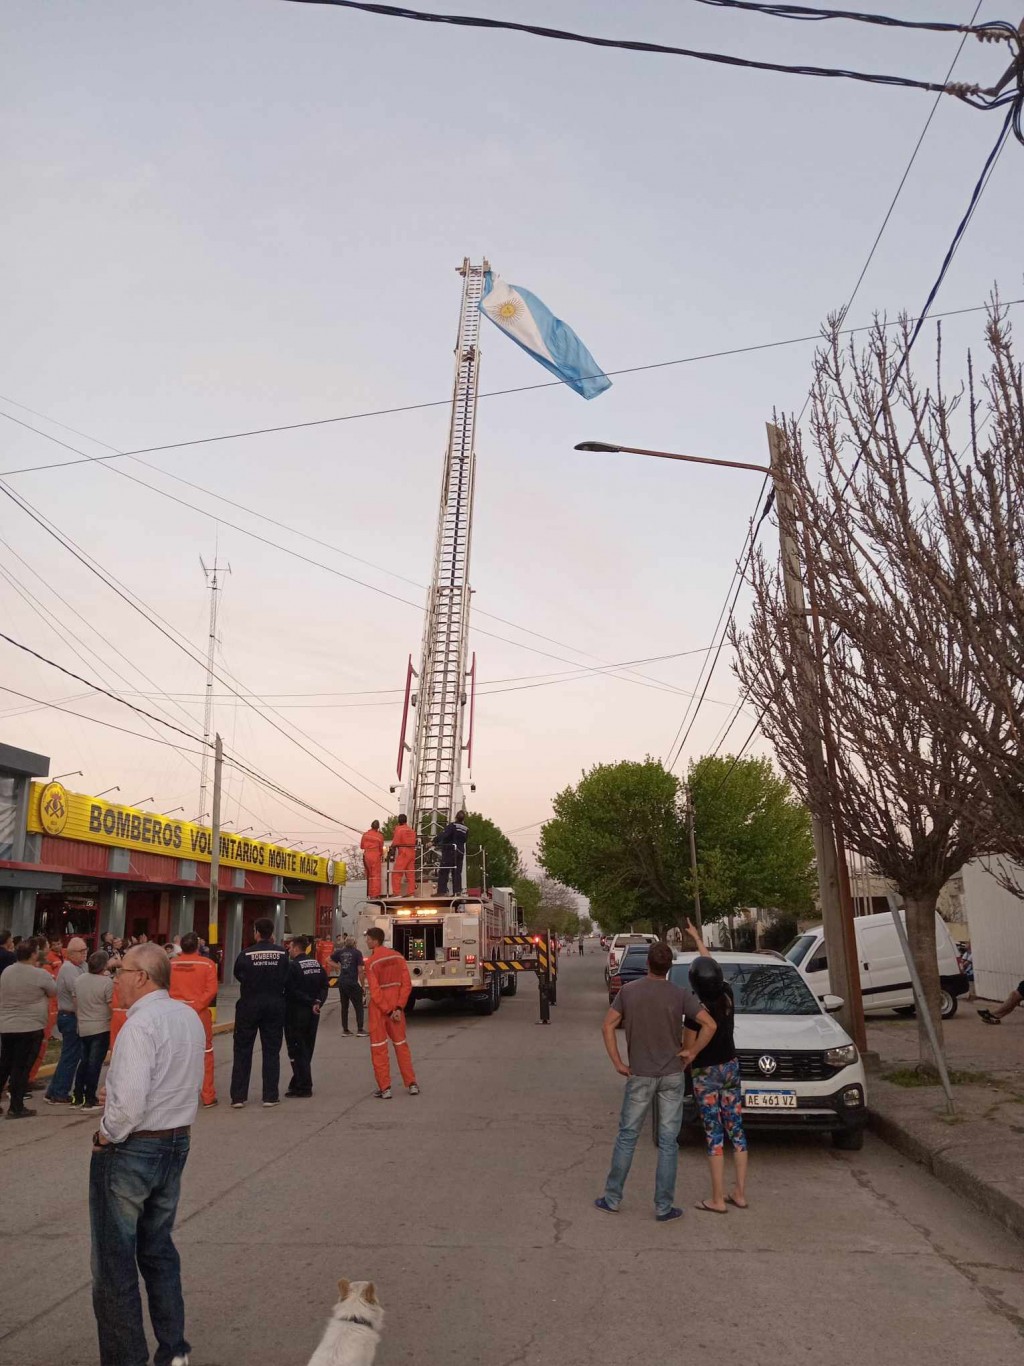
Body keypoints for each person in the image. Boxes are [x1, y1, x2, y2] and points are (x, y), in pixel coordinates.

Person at [89, 942, 204, 1366]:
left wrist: (106, 1133)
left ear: (142, 977)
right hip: (175, 1141)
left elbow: (130, 1108)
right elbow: (172, 1079)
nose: (115, 977)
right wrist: (115, 1092)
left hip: (133, 1148)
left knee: (114, 1264)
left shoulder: (139, 1025)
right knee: (157, 1250)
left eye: (121, 970)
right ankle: (174, 1351)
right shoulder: (186, 1016)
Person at [595, 940, 716, 1222]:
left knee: (627, 1137)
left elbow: (607, 1026)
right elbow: (710, 1024)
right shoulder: (680, 994)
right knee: (668, 1141)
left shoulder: (628, 992)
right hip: (672, 1074)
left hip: (639, 1074)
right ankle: (663, 1206)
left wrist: (617, 1063)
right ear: (669, 968)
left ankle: (612, 1198)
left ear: (647, 964)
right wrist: (692, 1052)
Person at [683, 920, 748, 1213]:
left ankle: (717, 1199)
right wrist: (697, 938)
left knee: (714, 1134)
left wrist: (687, 1055)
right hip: (731, 1067)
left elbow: (688, 1048)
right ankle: (740, 1193)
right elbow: (710, 965)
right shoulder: (727, 995)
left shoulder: (695, 1011)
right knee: (737, 1131)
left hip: (706, 1073)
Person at [230, 917, 289, 1109]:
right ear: (271, 934)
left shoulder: (246, 954)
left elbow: (238, 974)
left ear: (256, 932)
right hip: (274, 1004)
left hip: (249, 1004)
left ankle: (238, 1097)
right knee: (271, 1051)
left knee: (242, 1050)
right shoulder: (282, 953)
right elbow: (287, 976)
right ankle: (270, 1096)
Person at [0, 940, 56, 1119]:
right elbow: (53, 991)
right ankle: (16, 1106)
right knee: (21, 1067)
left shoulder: (7, 971)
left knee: (5, 1064)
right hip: (30, 1026)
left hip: (7, 1025)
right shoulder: (39, 974)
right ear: (33, 955)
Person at [364, 926, 419, 1099]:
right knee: (401, 1046)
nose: (366, 941)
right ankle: (411, 1084)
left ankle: (385, 1088)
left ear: (374, 941)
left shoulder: (371, 962)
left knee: (379, 1048)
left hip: (380, 1011)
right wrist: (399, 1008)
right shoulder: (398, 957)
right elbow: (407, 984)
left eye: (368, 938)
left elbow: (375, 990)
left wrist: (387, 1010)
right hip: (397, 1008)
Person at [169, 932, 220, 1107]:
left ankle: (176, 1095)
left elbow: (164, 988)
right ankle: (207, 1095)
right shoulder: (207, 964)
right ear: (197, 946)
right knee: (206, 1054)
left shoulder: (171, 964)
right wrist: (195, 1006)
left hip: (175, 1013)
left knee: (176, 1054)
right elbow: (211, 990)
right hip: (199, 1013)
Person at [44, 936, 89, 1105]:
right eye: (81, 951)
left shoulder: (81, 966)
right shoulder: (69, 969)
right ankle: (60, 1092)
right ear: (70, 953)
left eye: (86, 950)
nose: (84, 954)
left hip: (73, 1016)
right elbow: (79, 991)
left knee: (69, 1056)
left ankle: (54, 1090)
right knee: (70, 1057)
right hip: (69, 1016)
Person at [285, 936, 329, 1098]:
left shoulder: (293, 967)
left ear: (296, 949)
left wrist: (310, 1001)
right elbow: (325, 985)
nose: (288, 950)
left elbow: (290, 989)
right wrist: (318, 1002)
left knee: (297, 1049)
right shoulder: (317, 965)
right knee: (307, 1048)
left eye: (290, 947)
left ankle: (304, 1086)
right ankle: (297, 1082)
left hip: (296, 1013)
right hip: (313, 1012)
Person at [72, 950, 114, 1111]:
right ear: (104, 965)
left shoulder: (79, 980)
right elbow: (110, 1005)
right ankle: (90, 1097)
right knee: (94, 1063)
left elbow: (75, 1001)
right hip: (100, 1026)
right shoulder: (106, 983)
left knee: (84, 1062)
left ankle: (77, 1095)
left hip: (83, 1025)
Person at [331, 935, 366, 1036]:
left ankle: (345, 1030)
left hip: (342, 982)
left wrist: (339, 966)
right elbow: (360, 970)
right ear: (354, 943)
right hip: (352, 982)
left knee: (344, 1006)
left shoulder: (340, 952)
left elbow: (327, 960)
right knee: (358, 1006)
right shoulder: (357, 953)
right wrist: (363, 985)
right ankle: (360, 1029)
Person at [435, 811, 469, 896]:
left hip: (449, 851)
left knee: (444, 871)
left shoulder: (452, 826)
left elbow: (444, 835)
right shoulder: (466, 829)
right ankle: (457, 891)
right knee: (457, 872)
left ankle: (441, 891)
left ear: (456, 817)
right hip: (460, 852)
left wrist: (433, 842)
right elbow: (465, 840)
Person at [389, 814, 417, 897]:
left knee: (396, 873)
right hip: (411, 852)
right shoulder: (411, 830)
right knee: (410, 874)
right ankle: (411, 893)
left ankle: (396, 893)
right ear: (406, 820)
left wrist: (392, 848)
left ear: (398, 821)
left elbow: (396, 842)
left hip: (403, 852)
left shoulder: (399, 829)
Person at [361, 820, 385, 898]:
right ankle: (375, 894)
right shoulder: (379, 836)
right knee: (376, 876)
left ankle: (369, 894)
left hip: (367, 855)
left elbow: (362, 846)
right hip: (375, 855)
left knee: (369, 875)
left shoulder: (365, 835)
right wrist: (380, 854)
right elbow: (381, 849)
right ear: (378, 827)